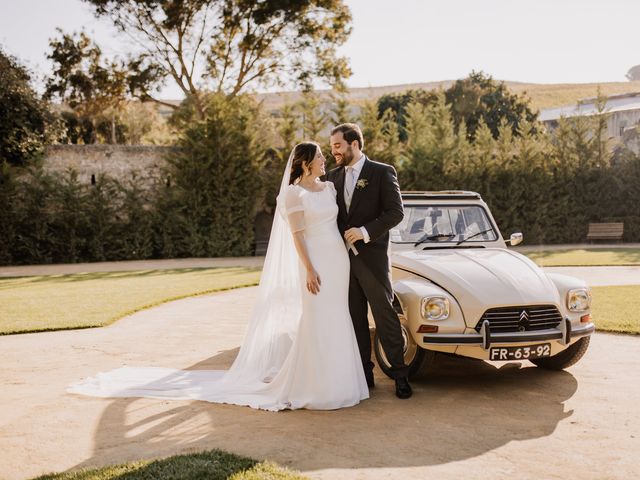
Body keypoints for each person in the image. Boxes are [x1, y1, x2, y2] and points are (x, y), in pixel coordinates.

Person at [67, 142, 369, 411]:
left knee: (337, 316)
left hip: (338, 262)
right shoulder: (293, 195)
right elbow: (298, 238)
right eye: (319, 156)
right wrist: (309, 269)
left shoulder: (328, 188)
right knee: (317, 319)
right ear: (305, 163)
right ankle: (315, 386)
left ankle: (344, 382)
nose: (324, 160)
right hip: (315, 263)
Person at [326, 123, 412, 399]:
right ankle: (364, 376)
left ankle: (400, 375)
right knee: (354, 320)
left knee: (385, 317)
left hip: (373, 259)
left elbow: (395, 213)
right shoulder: (331, 177)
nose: (334, 152)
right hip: (343, 264)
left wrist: (364, 232)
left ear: (354, 143)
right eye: (331, 148)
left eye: (338, 146)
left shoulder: (382, 172)